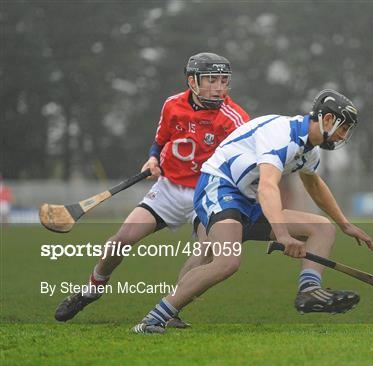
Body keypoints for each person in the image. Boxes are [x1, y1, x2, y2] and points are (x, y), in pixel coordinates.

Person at [133, 89, 373, 333]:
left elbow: (313, 183)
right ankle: (151, 320)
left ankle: (309, 292)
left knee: (323, 229)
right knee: (226, 261)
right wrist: (281, 234)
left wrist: (344, 223)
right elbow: (268, 186)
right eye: (344, 128)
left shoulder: (309, 150)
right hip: (219, 188)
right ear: (328, 120)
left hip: (248, 202)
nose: (344, 135)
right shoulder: (282, 134)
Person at [54, 53, 250, 326]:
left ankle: (171, 310)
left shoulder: (234, 118)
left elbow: (246, 161)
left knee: (209, 252)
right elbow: (160, 141)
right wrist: (153, 159)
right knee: (121, 240)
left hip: (207, 193)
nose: (219, 87)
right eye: (211, 80)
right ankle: (92, 289)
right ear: (192, 81)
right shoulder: (172, 105)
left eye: (224, 81)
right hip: (169, 188)